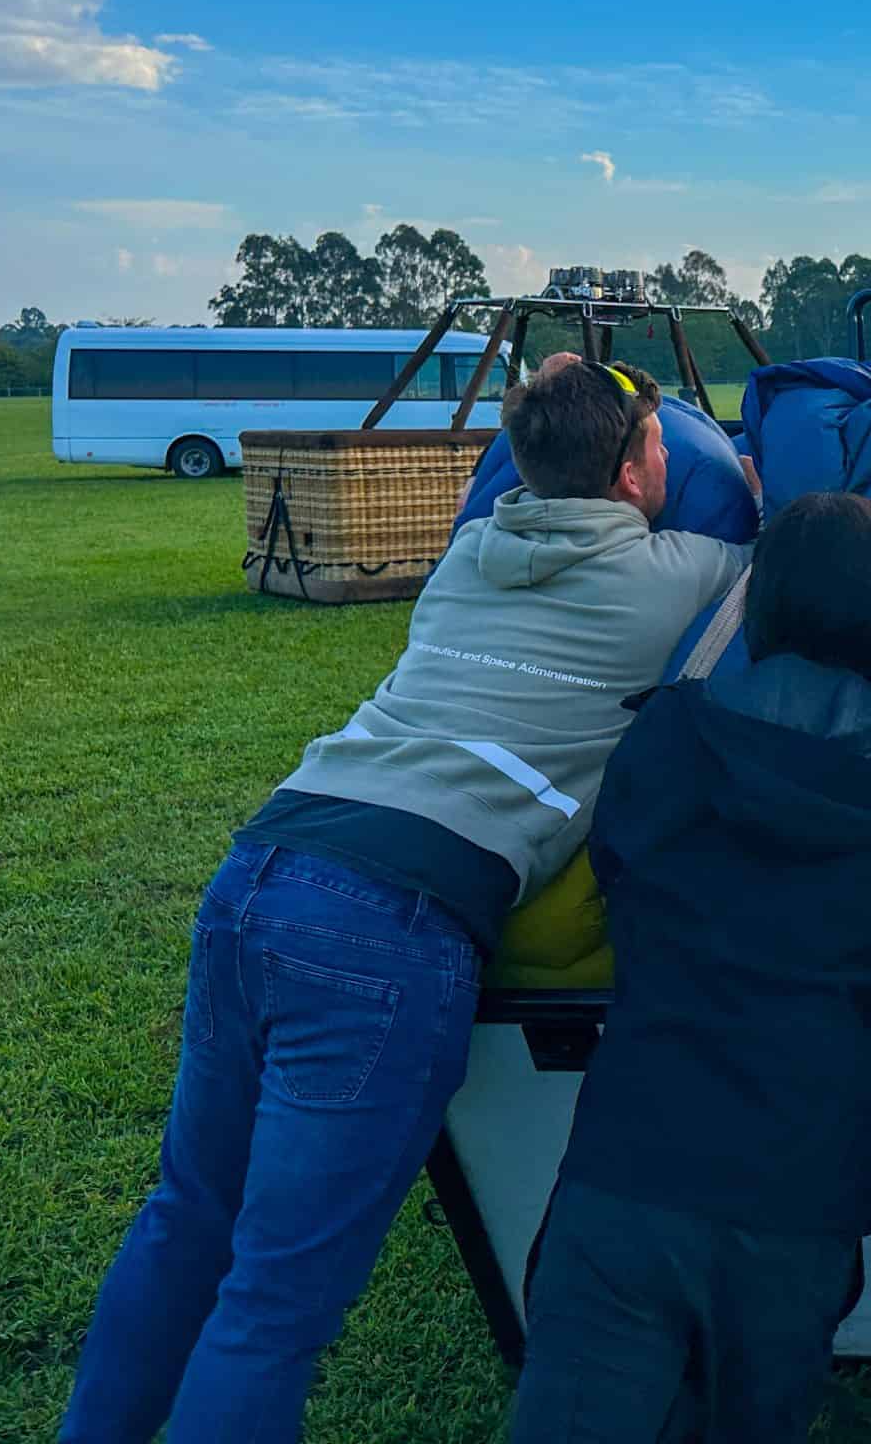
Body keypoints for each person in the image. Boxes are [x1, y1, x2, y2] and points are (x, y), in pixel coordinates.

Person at [61, 358, 747, 1444]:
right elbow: (782, 550)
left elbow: (536, 475)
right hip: (389, 922)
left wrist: (567, 410)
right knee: (275, 1301)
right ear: (630, 476)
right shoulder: (680, 577)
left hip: (264, 865)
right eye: (656, 446)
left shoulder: (463, 558)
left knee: (186, 1218)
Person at [508, 492, 871, 1443]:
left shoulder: (668, 734)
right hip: (799, 1196)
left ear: (759, 604)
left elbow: (615, 862)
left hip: (630, 1164)